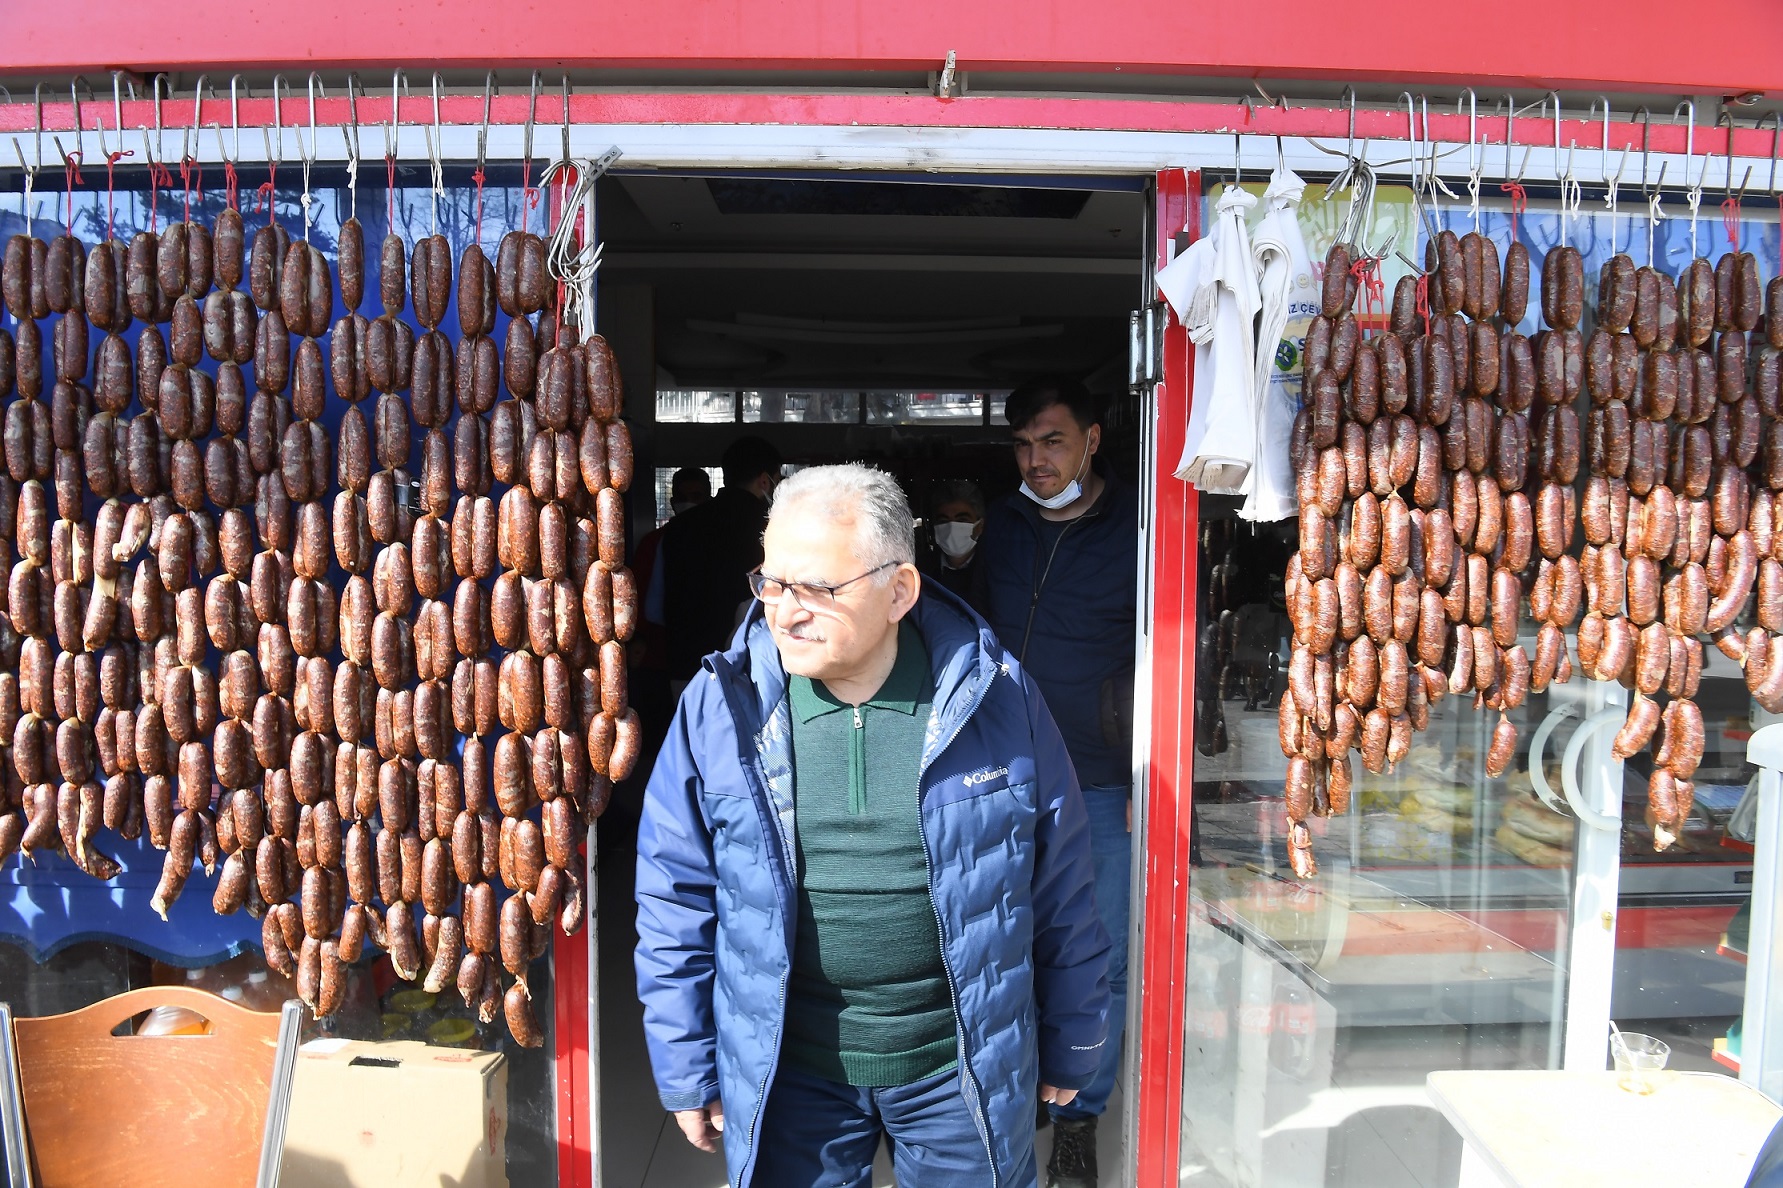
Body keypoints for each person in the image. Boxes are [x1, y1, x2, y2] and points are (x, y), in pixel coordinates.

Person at [635, 463, 1112, 1188]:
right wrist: (687, 1064)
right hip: (792, 1072)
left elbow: (1060, 886)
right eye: (772, 582)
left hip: (958, 1069)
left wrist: (1075, 1038)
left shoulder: (994, 698)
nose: (785, 611)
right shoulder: (722, 706)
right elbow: (675, 895)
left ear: (899, 591)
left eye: (819, 589)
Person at [973, 376, 1138, 1188]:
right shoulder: (1002, 525)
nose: (1035, 462)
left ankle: (1080, 1117)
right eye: (1023, 446)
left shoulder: (1134, 527)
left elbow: (1167, 650)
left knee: (1094, 955)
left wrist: (1151, 763)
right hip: (1000, 771)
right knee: (1001, 944)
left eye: (1052, 443)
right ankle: (1018, 1094)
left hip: (1102, 777)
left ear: (1092, 441)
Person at [659, 436, 782, 682]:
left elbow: (658, 605)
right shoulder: (775, 528)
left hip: (689, 664)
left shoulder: (679, 527)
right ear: (765, 481)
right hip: (754, 664)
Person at [920, 479, 985, 604]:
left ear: (980, 525)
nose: (951, 527)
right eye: (944, 520)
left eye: (962, 520)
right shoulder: (921, 571)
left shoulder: (994, 571)